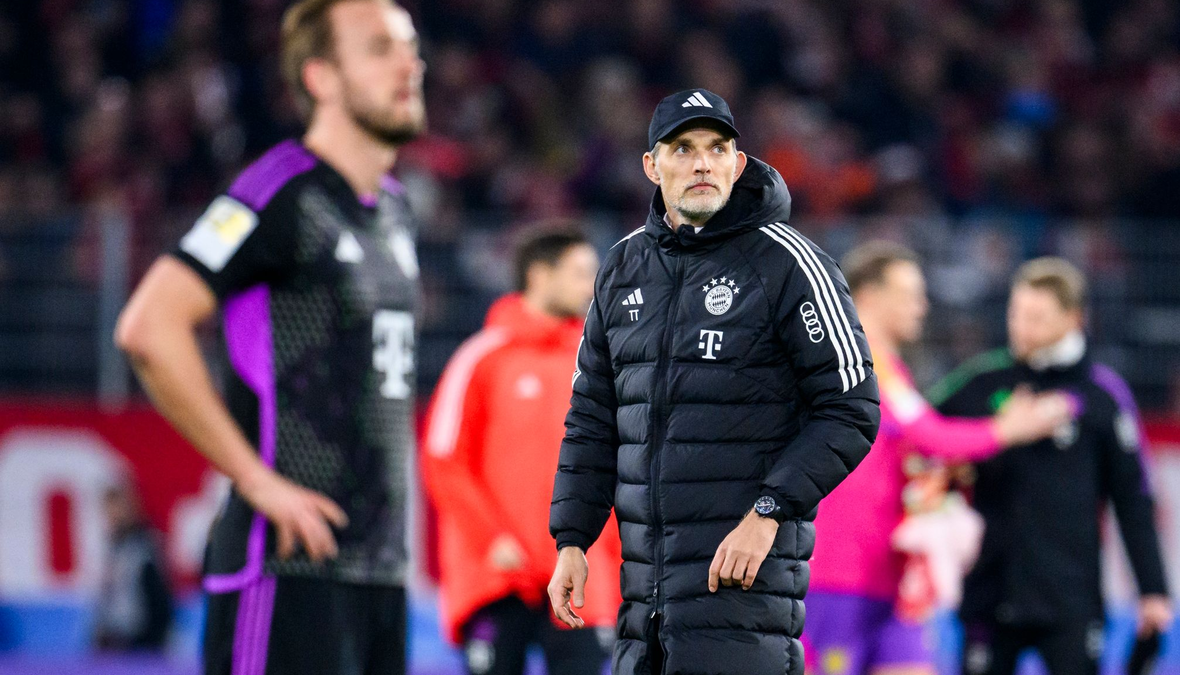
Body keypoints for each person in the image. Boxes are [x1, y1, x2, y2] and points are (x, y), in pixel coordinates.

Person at [114, 0, 425, 672]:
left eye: (410, 47)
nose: (410, 64)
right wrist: (256, 480)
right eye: (379, 49)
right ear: (321, 78)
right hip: (286, 570)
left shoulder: (396, 210)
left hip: (380, 575)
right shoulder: (278, 191)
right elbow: (149, 326)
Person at [546, 88, 882, 675]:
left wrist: (768, 512)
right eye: (682, 149)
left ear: (738, 162)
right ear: (652, 166)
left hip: (746, 606)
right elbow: (594, 416)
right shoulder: (622, 269)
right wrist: (572, 538)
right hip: (643, 614)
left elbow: (851, 408)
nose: (702, 162)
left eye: (717, 148)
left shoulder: (790, 263)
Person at [802, 241, 1073, 675]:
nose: (922, 305)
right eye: (908, 294)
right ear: (869, 296)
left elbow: (917, 444)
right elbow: (928, 436)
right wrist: (1006, 429)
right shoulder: (846, 363)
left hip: (892, 575)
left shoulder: (892, 371)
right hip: (839, 572)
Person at [929, 257, 1173, 675]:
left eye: (1037, 317)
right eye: (1016, 313)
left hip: (1071, 602)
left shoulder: (1103, 395)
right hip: (990, 593)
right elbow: (918, 436)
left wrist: (1153, 589)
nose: (1021, 327)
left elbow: (1133, 500)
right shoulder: (981, 382)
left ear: (1074, 318)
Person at [423, 228, 622, 675]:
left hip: (582, 577)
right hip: (497, 577)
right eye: (578, 273)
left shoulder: (599, 365)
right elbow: (443, 462)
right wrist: (491, 539)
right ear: (539, 275)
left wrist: (611, 552)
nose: (590, 286)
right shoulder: (481, 358)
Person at [93, 483, 174, 652]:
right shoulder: (114, 546)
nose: (112, 515)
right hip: (116, 636)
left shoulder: (144, 545)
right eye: (108, 510)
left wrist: (155, 637)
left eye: (116, 508)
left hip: (140, 639)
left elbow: (158, 595)